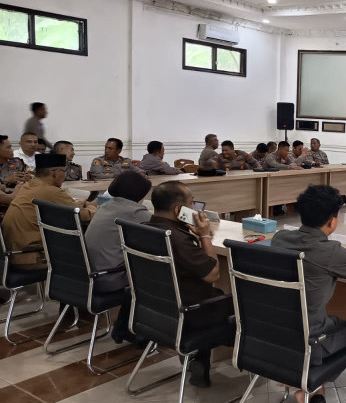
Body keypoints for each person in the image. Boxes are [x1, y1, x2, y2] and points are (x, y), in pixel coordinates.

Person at [271, 184, 346, 403]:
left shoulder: (279, 239)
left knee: (331, 321)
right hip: (310, 339)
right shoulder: (330, 251)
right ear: (332, 221)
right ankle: (310, 385)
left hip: (274, 335)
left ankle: (311, 385)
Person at [144, 181, 231, 387]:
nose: (194, 208)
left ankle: (197, 358)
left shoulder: (145, 229)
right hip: (188, 312)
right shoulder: (177, 238)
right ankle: (202, 357)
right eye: (191, 203)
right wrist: (205, 236)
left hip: (153, 308)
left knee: (211, 297)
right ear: (178, 210)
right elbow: (213, 274)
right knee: (235, 304)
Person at [85, 171, 152, 344]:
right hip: (108, 278)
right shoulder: (136, 212)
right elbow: (162, 229)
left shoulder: (105, 205)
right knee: (154, 273)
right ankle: (135, 329)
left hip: (86, 275)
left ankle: (126, 326)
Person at [2, 153, 96, 268]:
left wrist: (76, 205)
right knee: (93, 255)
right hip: (34, 257)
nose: (65, 175)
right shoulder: (51, 191)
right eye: (64, 171)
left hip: (13, 255)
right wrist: (92, 206)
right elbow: (84, 216)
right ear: (55, 173)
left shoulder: (28, 186)